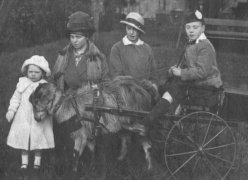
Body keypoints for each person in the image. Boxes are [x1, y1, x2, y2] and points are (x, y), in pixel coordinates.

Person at [135, 10, 223, 133]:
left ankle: (147, 122)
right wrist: (176, 70)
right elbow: (189, 65)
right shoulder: (191, 44)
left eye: (195, 27)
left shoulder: (205, 46)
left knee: (174, 89)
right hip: (198, 84)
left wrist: (181, 73)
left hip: (208, 88)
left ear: (203, 28)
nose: (191, 31)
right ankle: (161, 117)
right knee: (163, 87)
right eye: (188, 27)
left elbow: (201, 72)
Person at [5, 55, 54, 171]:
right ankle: (24, 163)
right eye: (30, 71)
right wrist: (11, 110)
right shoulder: (22, 84)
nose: (32, 74)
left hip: (39, 116)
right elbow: (15, 98)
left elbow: (49, 101)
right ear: (26, 72)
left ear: (42, 73)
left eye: (36, 72)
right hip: (23, 116)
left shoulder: (45, 86)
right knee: (23, 138)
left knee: (39, 138)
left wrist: (47, 111)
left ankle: (37, 162)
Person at [52, 11, 109, 92]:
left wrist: (97, 87)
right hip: (66, 100)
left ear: (87, 37)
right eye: (72, 37)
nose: (74, 40)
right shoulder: (62, 56)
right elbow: (54, 81)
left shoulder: (99, 58)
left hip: (90, 102)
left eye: (78, 37)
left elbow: (106, 83)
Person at [109, 12, 157, 84]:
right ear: (125, 28)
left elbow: (153, 76)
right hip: (126, 91)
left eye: (135, 29)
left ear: (139, 31)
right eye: (129, 28)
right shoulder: (117, 48)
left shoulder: (147, 49)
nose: (131, 32)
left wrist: (151, 86)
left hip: (145, 91)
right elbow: (116, 77)